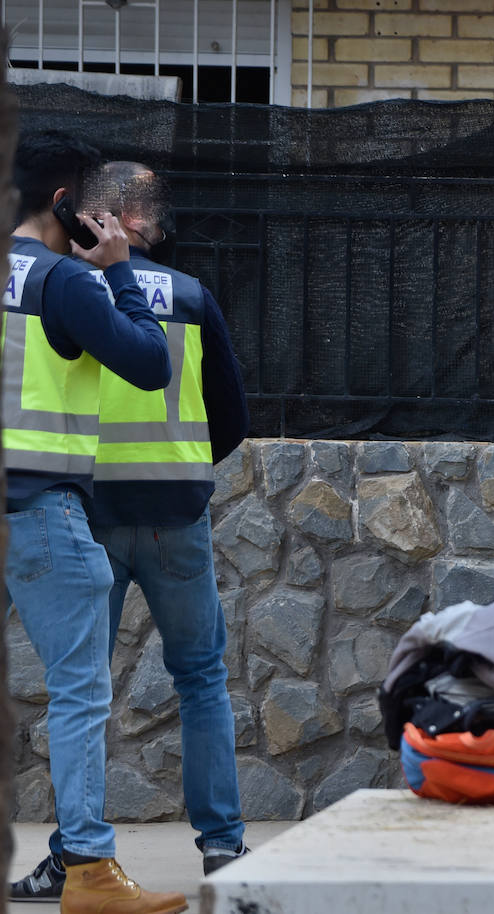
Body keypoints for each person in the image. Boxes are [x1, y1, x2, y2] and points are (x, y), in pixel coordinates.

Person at [10, 162, 252, 904]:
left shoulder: (56, 283)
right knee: (202, 679)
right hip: (176, 514)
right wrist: (181, 470)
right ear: (148, 221)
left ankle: (72, 854)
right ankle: (222, 848)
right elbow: (233, 415)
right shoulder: (188, 296)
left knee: (83, 688)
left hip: (86, 509)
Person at [3, 132, 184, 912]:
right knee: (79, 692)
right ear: (64, 205)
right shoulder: (65, 281)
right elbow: (150, 363)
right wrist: (119, 273)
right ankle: (88, 871)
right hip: (41, 510)